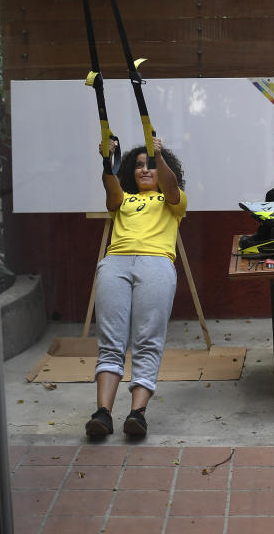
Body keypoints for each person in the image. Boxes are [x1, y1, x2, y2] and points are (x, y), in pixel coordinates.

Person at [84, 136, 187, 439]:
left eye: (150, 165)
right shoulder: (124, 200)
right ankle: (102, 414)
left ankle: (137, 414)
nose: (145, 169)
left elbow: (169, 186)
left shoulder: (174, 199)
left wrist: (159, 157)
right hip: (116, 263)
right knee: (111, 343)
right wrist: (108, 160)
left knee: (147, 341)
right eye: (140, 165)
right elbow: (110, 189)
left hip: (156, 265)